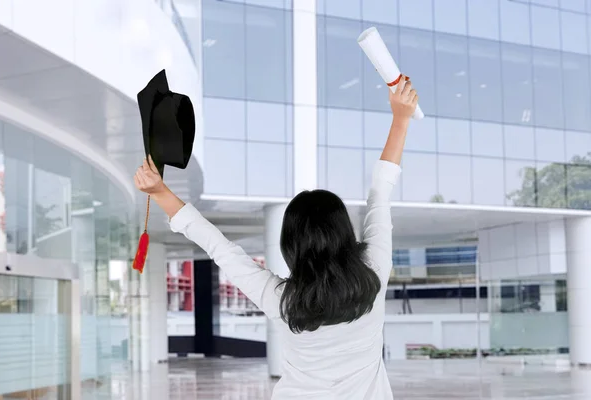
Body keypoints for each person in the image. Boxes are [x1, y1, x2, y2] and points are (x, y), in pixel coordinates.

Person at [134, 76, 418, 399]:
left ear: (291, 247)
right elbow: (380, 192)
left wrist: (159, 192)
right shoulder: (374, 272)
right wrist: (401, 117)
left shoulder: (284, 300)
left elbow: (219, 248)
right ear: (344, 233)